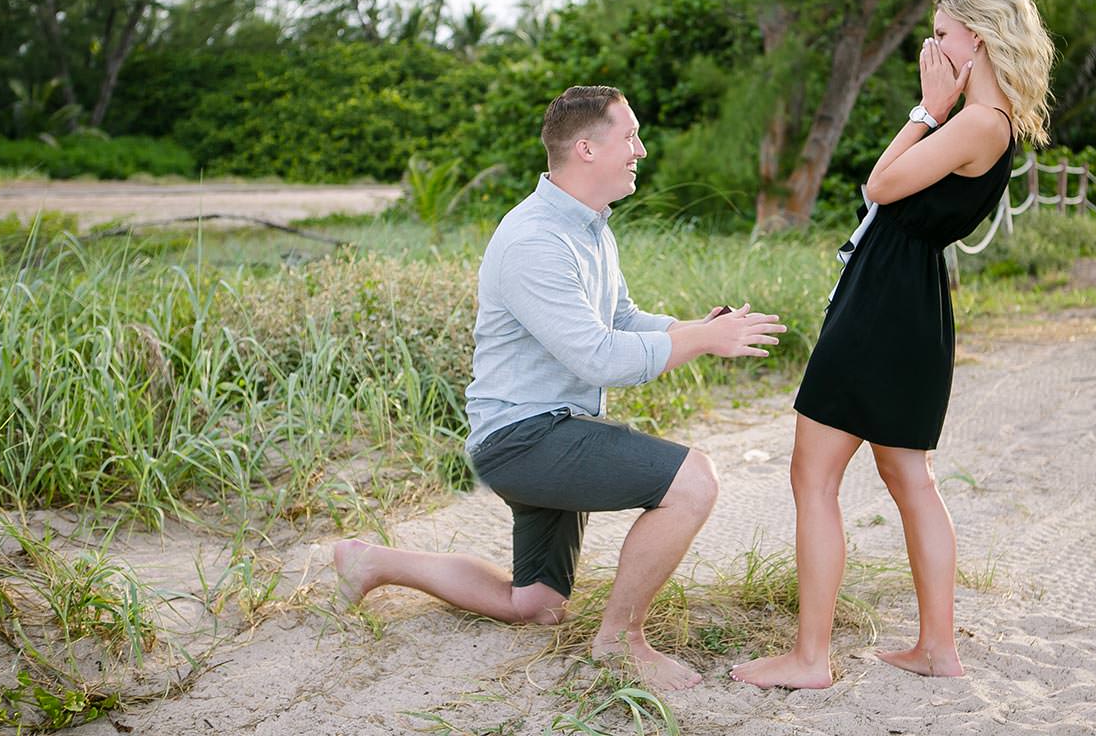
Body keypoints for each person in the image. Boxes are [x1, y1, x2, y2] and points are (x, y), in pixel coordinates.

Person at [334, 85, 786, 691]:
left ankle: (371, 561)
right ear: (585, 149)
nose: (640, 151)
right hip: (524, 439)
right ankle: (620, 641)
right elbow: (597, 356)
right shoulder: (534, 240)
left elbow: (619, 319)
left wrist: (695, 328)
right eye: (629, 137)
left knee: (537, 604)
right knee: (693, 480)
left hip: (553, 430)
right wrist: (701, 343)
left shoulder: (591, 228)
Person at [730, 0, 1053, 689]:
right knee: (909, 477)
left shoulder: (974, 121)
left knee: (813, 473)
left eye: (941, 34)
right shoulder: (992, 123)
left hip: (884, 305)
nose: (932, 47)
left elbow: (879, 185)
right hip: (911, 303)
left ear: (981, 35)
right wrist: (939, 108)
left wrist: (925, 109)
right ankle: (937, 648)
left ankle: (811, 658)